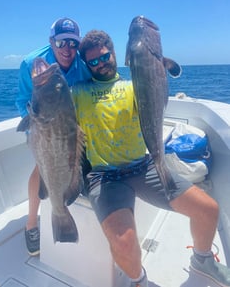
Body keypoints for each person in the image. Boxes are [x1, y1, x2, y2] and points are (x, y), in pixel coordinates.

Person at [72, 29, 230, 287]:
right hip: (104, 176)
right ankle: (139, 281)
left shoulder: (133, 85)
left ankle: (203, 261)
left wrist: (154, 63)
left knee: (208, 210)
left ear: (115, 53)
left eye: (104, 57)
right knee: (124, 243)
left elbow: (156, 93)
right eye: (93, 62)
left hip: (143, 166)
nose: (101, 64)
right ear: (86, 64)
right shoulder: (77, 92)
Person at [16, 17, 91, 256]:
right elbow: (21, 101)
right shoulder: (31, 63)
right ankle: (31, 224)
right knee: (42, 166)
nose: (67, 49)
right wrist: (37, 129)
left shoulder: (83, 66)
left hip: (72, 127)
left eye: (72, 43)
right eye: (61, 43)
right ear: (51, 42)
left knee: (77, 162)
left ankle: (74, 191)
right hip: (41, 126)